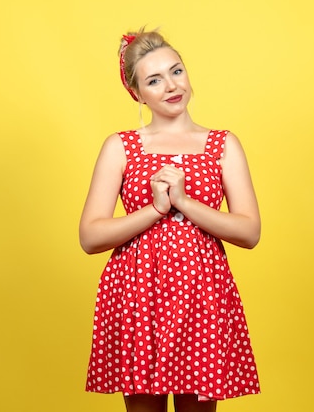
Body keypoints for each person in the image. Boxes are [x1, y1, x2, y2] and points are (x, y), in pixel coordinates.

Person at [79, 27, 261, 412]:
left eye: (176, 71)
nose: (171, 86)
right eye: (154, 80)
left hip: (202, 295)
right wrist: (156, 209)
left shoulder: (223, 144)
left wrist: (183, 202)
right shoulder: (121, 146)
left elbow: (248, 231)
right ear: (137, 93)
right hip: (137, 293)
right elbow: (91, 236)